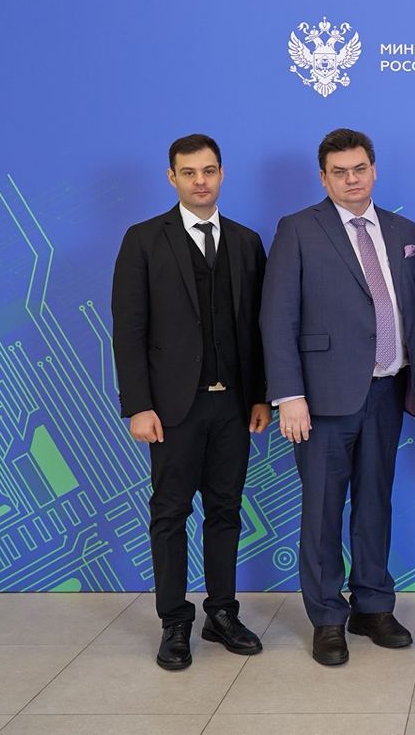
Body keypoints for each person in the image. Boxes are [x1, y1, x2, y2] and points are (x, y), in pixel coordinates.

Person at [260, 128, 415, 666]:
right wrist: (289, 395)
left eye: (359, 169)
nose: (352, 179)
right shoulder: (298, 229)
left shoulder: (404, 230)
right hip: (320, 399)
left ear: (374, 170)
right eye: (339, 172)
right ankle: (327, 618)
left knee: (375, 503)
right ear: (323, 178)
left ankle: (373, 606)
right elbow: (277, 317)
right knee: (321, 510)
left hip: (388, 390)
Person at [111, 133, 270, 670]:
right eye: (189, 172)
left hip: (234, 407)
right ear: (172, 177)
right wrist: (138, 405)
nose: (200, 181)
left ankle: (222, 613)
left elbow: (259, 330)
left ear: (222, 173)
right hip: (172, 408)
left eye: (209, 171)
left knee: (226, 510)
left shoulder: (247, 242)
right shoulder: (143, 240)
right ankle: (174, 622)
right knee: (171, 513)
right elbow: (129, 330)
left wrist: (262, 397)